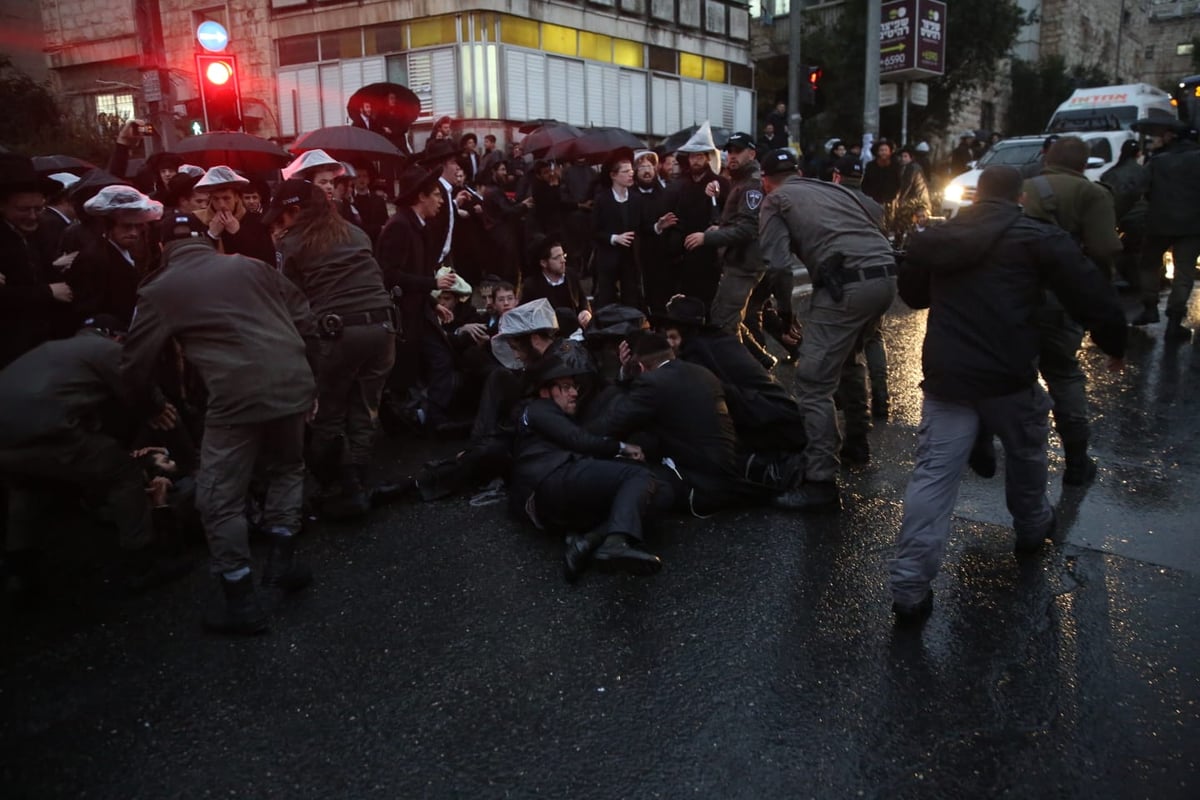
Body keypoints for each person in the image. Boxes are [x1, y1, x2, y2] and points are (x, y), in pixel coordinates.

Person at [888, 165, 1128, 626]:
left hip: (949, 376)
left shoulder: (939, 237)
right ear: (1020, 198)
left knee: (933, 478)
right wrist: (1114, 343)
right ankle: (1032, 526)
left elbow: (915, 296)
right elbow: (1089, 294)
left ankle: (909, 589)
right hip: (1010, 375)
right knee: (1026, 454)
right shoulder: (1039, 237)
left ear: (976, 196)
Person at [120, 210, 320, 635]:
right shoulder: (251, 264)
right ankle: (283, 557)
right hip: (292, 379)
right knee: (287, 468)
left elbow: (134, 364)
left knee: (219, 496)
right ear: (206, 238)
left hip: (235, 396)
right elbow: (305, 317)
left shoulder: (160, 289)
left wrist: (150, 408)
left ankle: (241, 599)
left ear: (160, 247)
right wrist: (308, 378)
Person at [0, 315, 191, 600]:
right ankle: (143, 565)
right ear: (117, 336)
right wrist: (160, 411)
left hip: (6, 440)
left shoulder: (55, 349)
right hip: (49, 431)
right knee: (123, 472)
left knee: (28, 487)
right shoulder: (107, 349)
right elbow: (137, 383)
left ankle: (18, 571)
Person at [758, 148, 897, 511]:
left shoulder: (775, 201)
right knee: (850, 358)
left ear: (764, 180)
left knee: (812, 383)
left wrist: (786, 315)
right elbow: (877, 212)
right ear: (801, 171)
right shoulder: (831, 189)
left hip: (845, 287)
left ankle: (820, 481)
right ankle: (857, 442)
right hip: (885, 277)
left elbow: (778, 266)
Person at [270, 178, 397, 518]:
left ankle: (333, 485)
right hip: (383, 327)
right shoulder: (356, 233)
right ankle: (356, 480)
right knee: (365, 409)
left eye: (280, 216)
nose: (278, 224)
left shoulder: (292, 242)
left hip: (337, 332)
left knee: (328, 413)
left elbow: (287, 298)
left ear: (294, 211)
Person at [1021, 136, 1124, 484]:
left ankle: (1013, 450)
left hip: (1016, 294)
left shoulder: (1023, 186)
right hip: (1064, 298)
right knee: (1064, 374)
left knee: (1015, 371)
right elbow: (1104, 249)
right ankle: (1077, 463)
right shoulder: (1093, 194)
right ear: (1085, 164)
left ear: (1048, 157)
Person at [511, 354, 669, 580]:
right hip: (551, 479)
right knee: (638, 475)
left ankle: (587, 542)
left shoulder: (551, 412)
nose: (574, 393)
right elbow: (579, 440)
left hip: (563, 493)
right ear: (545, 391)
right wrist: (622, 447)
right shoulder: (539, 408)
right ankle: (615, 543)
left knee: (660, 492)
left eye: (574, 387)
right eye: (565, 387)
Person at [693, 132, 770, 365]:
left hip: (744, 263)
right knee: (727, 317)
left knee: (724, 322)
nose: (731, 156)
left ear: (752, 153)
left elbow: (747, 230)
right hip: (737, 260)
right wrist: (719, 226)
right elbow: (736, 222)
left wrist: (707, 239)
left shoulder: (752, 183)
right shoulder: (741, 180)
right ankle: (762, 361)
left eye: (737, 151)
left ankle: (744, 373)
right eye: (729, 151)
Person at [0, 156, 72, 368]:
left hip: (43, 345)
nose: (33, 216)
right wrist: (47, 292)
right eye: (23, 209)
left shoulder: (39, 232)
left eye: (38, 208)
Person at [1131, 120, 1200, 339]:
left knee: (1149, 265)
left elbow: (1137, 188)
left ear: (1172, 137)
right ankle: (1174, 322)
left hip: (1158, 223)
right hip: (1192, 225)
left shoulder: (1157, 161)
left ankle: (1150, 307)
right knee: (1184, 272)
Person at [71, 185, 164, 329]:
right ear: (109, 226)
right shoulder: (93, 258)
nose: (134, 233)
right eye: (126, 226)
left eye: (138, 226)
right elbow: (87, 309)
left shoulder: (129, 251)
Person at [662, 122, 729, 307]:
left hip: (710, 253)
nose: (696, 160)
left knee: (709, 302)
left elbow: (731, 215)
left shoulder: (721, 183)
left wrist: (719, 226)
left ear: (708, 157)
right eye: (693, 156)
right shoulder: (678, 185)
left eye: (700, 156)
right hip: (683, 254)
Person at [591, 156, 645, 309]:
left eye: (631, 170)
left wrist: (658, 226)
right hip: (608, 259)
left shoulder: (636, 199)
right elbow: (593, 231)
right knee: (606, 300)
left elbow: (642, 226)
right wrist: (614, 238)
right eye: (626, 171)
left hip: (630, 259)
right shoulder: (602, 199)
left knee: (632, 300)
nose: (631, 174)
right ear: (613, 175)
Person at [192, 166, 275, 264]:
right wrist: (212, 235)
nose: (221, 205)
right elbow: (195, 260)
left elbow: (267, 260)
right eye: (216, 199)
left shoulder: (257, 222)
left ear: (236, 197)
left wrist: (238, 233)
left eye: (226, 198)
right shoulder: (197, 220)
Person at [520, 239, 590, 327]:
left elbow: (582, 300)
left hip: (576, 331)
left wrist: (585, 311)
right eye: (557, 258)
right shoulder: (532, 285)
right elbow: (525, 315)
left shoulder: (571, 275)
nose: (563, 260)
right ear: (543, 263)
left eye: (563, 255)